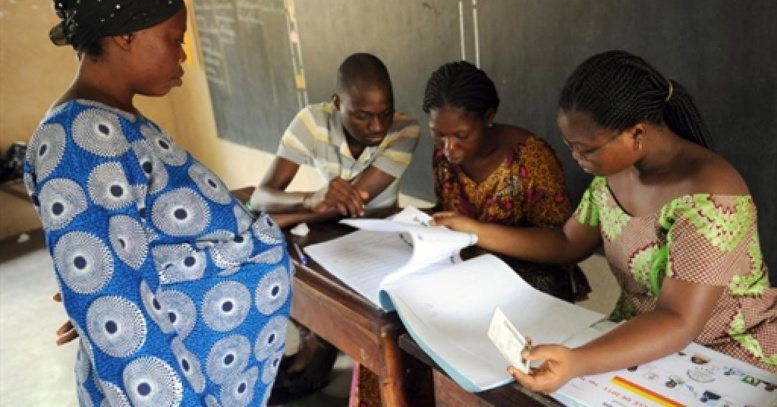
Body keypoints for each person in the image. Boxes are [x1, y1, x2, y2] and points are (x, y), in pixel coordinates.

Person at [432, 50, 777, 394]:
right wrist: (476, 231)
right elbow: (567, 243)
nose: (577, 159)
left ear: (636, 133)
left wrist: (578, 361)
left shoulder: (711, 194)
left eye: (586, 149)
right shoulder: (612, 174)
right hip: (642, 342)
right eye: (571, 146)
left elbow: (678, 319)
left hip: (724, 356)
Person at [24, 0, 293, 405]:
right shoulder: (81, 139)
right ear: (126, 36)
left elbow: (134, 258)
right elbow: (119, 318)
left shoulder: (114, 122)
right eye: (174, 38)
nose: (182, 55)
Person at [248, 52, 421, 404]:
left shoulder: (406, 130)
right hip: (330, 232)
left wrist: (290, 213)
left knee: (370, 321)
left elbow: (353, 202)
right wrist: (311, 200)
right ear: (337, 103)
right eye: (362, 115)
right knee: (289, 271)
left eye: (384, 112)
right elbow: (262, 196)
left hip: (380, 234)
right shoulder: (312, 122)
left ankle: (336, 360)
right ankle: (317, 348)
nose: (376, 126)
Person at [424, 60, 590, 302]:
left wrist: (478, 232)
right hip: (463, 273)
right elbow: (447, 210)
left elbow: (560, 241)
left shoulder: (531, 159)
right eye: (438, 134)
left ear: (488, 116)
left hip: (528, 285)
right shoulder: (444, 154)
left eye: (462, 135)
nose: (448, 147)